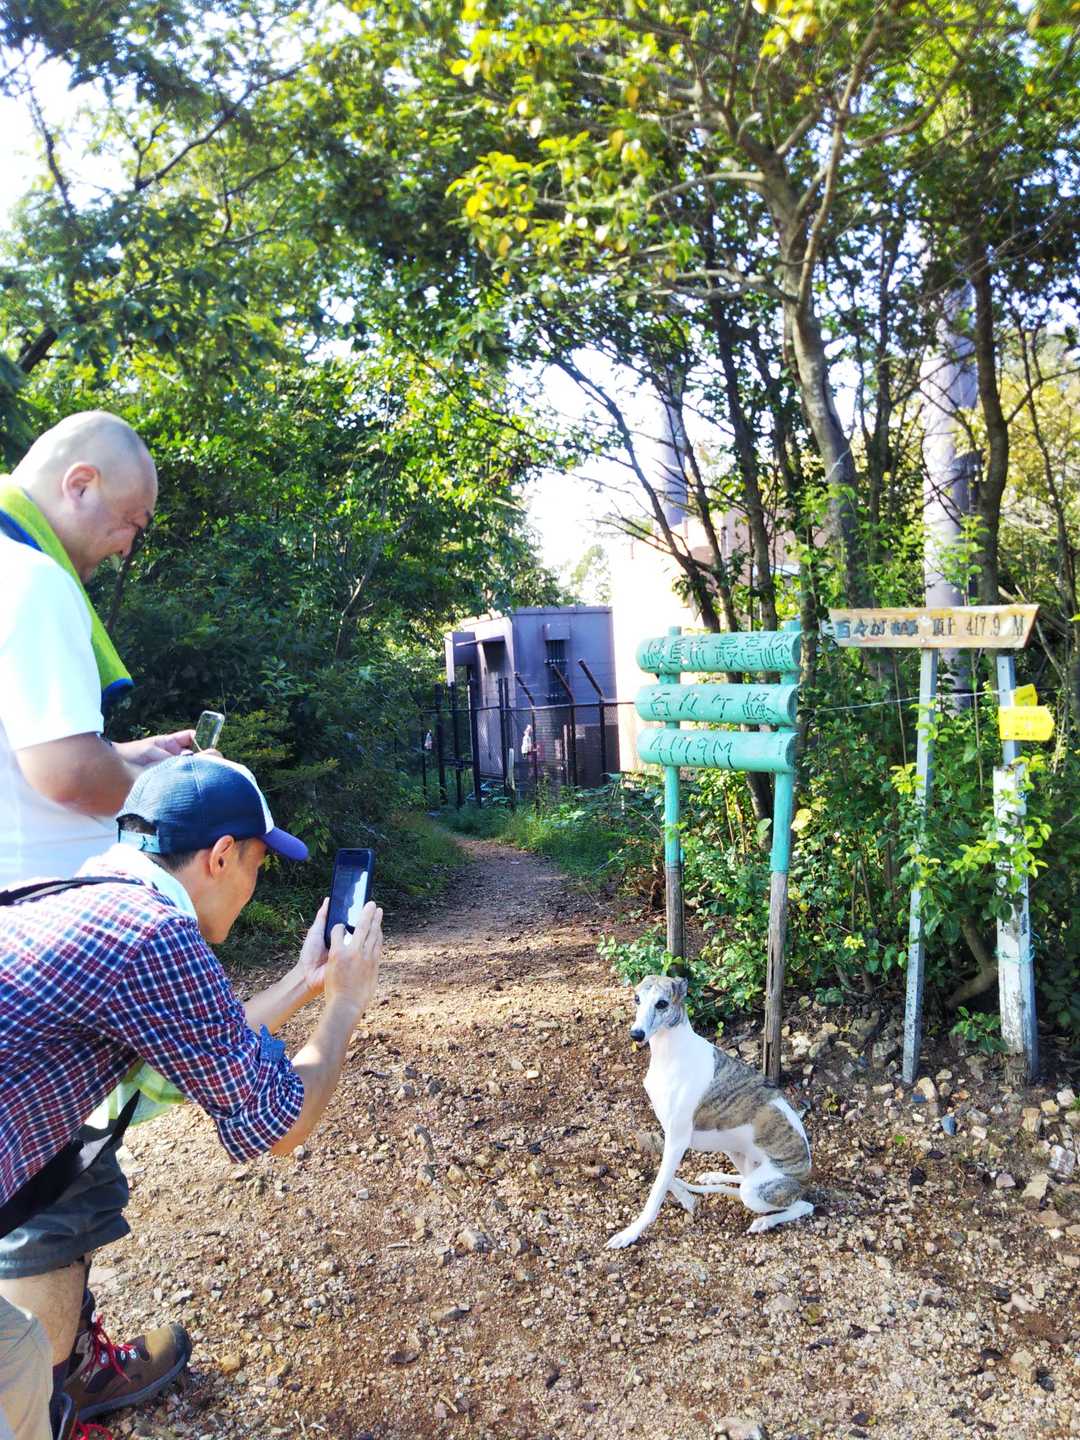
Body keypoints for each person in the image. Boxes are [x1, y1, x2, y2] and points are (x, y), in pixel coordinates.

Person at [0, 755, 383, 1439]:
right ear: (222, 855)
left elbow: (209, 1043)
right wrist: (346, 1003)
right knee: (13, 1372)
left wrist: (307, 981)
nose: (253, 888)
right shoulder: (155, 934)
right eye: (257, 866)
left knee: (19, 1361)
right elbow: (281, 1123)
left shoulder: (81, 892)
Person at [0, 411, 200, 1435]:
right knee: (57, 1178)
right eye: (128, 521)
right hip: (41, 930)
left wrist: (127, 755)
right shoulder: (33, 582)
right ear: (78, 483)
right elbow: (67, 774)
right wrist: (156, 783)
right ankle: (57, 1391)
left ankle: (55, 1366)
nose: (127, 546)